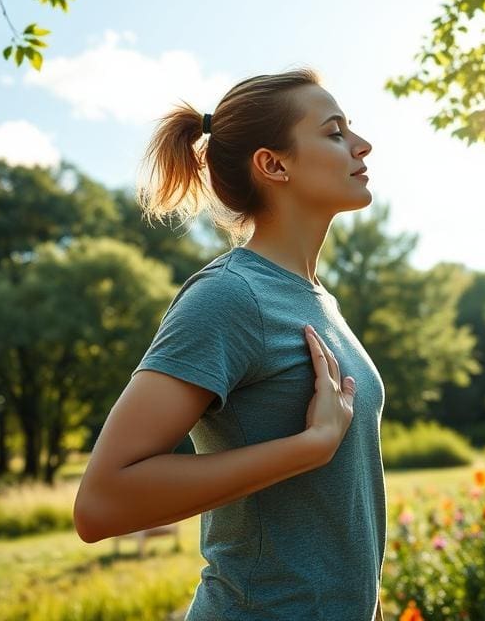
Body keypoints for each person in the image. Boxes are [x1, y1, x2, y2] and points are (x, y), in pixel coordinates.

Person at [73, 68, 386, 620]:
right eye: (335, 132)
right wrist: (307, 448)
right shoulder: (230, 297)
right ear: (273, 163)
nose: (362, 145)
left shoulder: (317, 301)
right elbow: (102, 504)